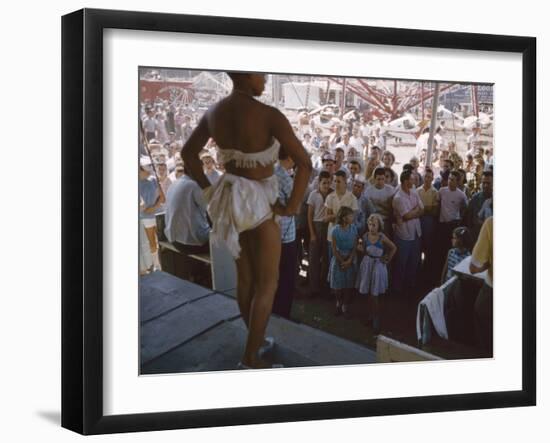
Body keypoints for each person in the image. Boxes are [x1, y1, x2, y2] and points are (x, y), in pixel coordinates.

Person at [181, 72, 312, 369]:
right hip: (260, 204)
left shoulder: (214, 112)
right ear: (246, 74)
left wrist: (207, 188)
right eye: (261, 74)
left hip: (229, 200)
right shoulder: (269, 115)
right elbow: (304, 164)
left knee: (246, 279)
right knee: (268, 284)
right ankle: (250, 358)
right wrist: (291, 207)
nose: (265, 79)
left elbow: (188, 154)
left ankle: (256, 341)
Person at [356, 214, 396, 333]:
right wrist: (360, 248)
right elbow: (363, 249)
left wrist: (387, 259)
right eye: (369, 224)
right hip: (367, 265)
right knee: (368, 292)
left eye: (374, 225)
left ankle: (376, 318)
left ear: (379, 226)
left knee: (375, 294)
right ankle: (370, 315)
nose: (371, 227)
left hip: (378, 266)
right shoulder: (365, 236)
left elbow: (394, 247)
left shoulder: (382, 237)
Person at [272, 148, 297, 319]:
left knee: (274, 275)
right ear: (289, 157)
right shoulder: (284, 177)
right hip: (286, 236)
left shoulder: (270, 172)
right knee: (287, 277)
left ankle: (273, 309)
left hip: (271, 232)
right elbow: (295, 205)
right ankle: (284, 314)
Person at [392, 170, 424, 298]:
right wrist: (413, 212)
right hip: (404, 235)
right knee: (401, 263)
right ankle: (397, 290)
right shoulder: (398, 198)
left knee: (414, 262)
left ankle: (409, 287)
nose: (414, 181)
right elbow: (406, 215)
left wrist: (413, 212)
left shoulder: (414, 191)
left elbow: (422, 209)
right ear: (406, 182)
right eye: (412, 179)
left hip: (416, 233)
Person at [328, 206, 359, 318]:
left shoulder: (354, 228)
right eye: (351, 215)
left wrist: (350, 260)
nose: (353, 217)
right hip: (338, 259)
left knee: (348, 285)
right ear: (344, 218)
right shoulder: (335, 231)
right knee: (338, 286)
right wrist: (342, 261)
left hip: (350, 258)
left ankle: (345, 305)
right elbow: (334, 249)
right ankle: (338, 302)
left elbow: (355, 245)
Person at [324, 170, 359, 267]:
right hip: (332, 237)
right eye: (334, 181)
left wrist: (336, 216)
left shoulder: (352, 198)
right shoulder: (330, 197)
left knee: (348, 266)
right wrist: (343, 215)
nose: (336, 184)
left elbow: (353, 219)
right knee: (333, 264)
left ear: (345, 182)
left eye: (338, 181)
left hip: (348, 237)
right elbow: (327, 218)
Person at [307, 171, 332, 297]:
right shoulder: (313, 194)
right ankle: (313, 288)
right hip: (316, 226)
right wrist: (312, 234)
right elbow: (309, 215)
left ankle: (324, 287)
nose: (326, 185)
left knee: (326, 259)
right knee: (314, 259)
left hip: (328, 226)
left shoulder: (332, 194)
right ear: (319, 182)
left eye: (328, 182)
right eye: (324, 183)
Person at [469, 217, 493, 353]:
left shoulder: (491, 223)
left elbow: (474, 267)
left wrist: (489, 263)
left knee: (482, 315)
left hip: (492, 290)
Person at [139, 165, 165, 272]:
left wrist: (154, 207)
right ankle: (157, 265)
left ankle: (163, 264)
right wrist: (144, 208)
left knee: (162, 241)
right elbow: (142, 207)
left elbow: (162, 197)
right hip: (146, 218)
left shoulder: (153, 179)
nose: (149, 170)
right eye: (146, 169)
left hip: (159, 214)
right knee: (152, 242)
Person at [417, 167, 440, 287]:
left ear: (432, 179)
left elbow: (434, 211)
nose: (427, 179)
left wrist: (422, 210)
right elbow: (416, 208)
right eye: (425, 176)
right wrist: (426, 209)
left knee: (428, 248)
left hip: (429, 223)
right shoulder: (417, 191)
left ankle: (425, 275)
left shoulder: (435, 192)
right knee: (417, 246)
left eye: (429, 177)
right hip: (418, 221)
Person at [365, 167, 395, 236]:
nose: (381, 181)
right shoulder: (368, 191)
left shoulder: (390, 190)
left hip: (386, 220)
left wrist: (378, 203)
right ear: (374, 179)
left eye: (383, 179)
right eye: (378, 179)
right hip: (372, 220)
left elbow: (391, 208)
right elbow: (367, 209)